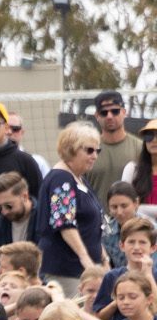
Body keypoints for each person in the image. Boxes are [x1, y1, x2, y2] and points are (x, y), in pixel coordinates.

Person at [39, 122, 105, 293]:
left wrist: (103, 257)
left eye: (97, 151)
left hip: (87, 267)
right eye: (89, 150)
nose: (94, 156)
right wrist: (85, 258)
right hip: (68, 268)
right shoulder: (61, 179)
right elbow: (64, 223)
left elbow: (92, 223)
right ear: (71, 149)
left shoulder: (79, 178)